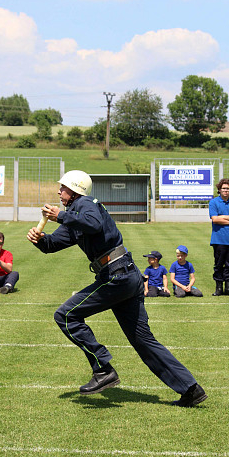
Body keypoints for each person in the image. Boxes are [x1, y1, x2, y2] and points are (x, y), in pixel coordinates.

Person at [27, 170, 207, 407]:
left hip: (117, 276)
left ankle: (102, 369)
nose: (58, 191)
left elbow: (92, 223)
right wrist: (40, 240)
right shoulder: (73, 214)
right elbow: (54, 244)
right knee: (143, 340)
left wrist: (60, 216)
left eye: (62, 187)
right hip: (123, 276)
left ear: (74, 189)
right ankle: (191, 389)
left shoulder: (86, 204)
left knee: (66, 315)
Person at [209, 178, 229, 296]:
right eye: (223, 188)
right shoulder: (213, 202)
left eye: (228, 189)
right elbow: (215, 219)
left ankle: (228, 287)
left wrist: (223, 217)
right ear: (219, 189)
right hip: (218, 239)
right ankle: (218, 288)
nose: (226, 191)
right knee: (218, 264)